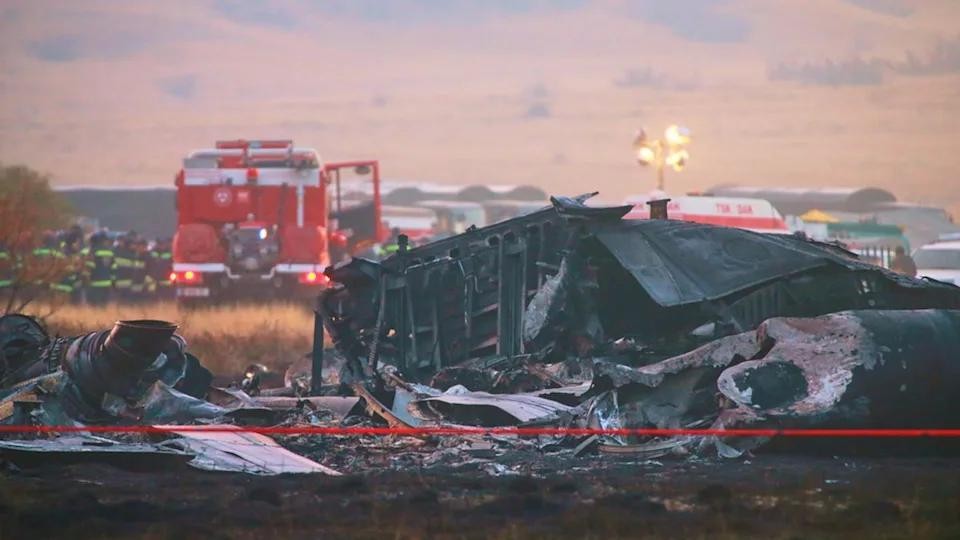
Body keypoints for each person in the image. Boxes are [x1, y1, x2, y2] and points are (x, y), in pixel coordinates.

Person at [86, 232, 115, 305]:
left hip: (95, 283)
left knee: (95, 307)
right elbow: (113, 267)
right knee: (104, 306)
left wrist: (87, 280)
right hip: (107, 283)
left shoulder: (93, 251)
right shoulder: (110, 252)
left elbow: (89, 266)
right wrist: (112, 281)